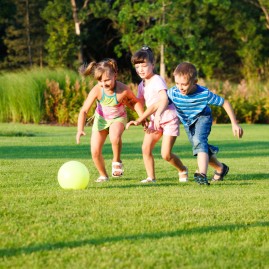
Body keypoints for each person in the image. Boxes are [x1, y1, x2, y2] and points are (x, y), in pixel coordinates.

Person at [128, 61, 244, 185]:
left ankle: (202, 175)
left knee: (199, 142)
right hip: (188, 122)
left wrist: (234, 123)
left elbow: (224, 102)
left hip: (202, 117)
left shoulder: (203, 93)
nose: (180, 87)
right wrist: (144, 118)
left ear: (195, 81)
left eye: (184, 84)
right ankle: (221, 168)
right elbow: (158, 104)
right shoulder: (174, 92)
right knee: (199, 146)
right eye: (177, 83)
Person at [127, 46, 188, 183]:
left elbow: (164, 99)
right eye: (137, 67)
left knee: (165, 154)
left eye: (144, 65)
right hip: (155, 120)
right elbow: (139, 103)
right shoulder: (142, 85)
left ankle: (182, 169)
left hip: (168, 118)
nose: (140, 69)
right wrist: (140, 117)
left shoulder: (157, 80)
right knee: (146, 148)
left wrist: (158, 114)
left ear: (152, 65)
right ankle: (151, 178)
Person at [76, 58, 144, 182]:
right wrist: (80, 129)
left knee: (114, 137)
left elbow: (135, 103)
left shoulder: (123, 89)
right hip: (101, 120)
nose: (104, 84)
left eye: (107, 80)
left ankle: (116, 160)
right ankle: (103, 175)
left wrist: (142, 118)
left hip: (118, 118)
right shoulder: (97, 90)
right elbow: (84, 110)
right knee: (95, 152)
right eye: (100, 81)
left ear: (115, 75)